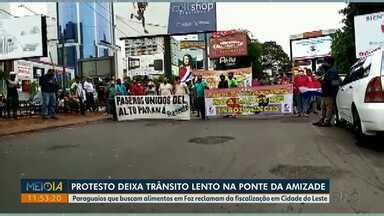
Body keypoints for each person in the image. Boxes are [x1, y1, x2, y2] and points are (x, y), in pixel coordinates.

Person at [313, 58, 340, 127]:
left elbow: (332, 83)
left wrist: (321, 81)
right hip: (325, 93)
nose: (323, 64)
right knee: (323, 107)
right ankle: (322, 119)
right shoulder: (328, 71)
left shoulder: (333, 71)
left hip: (329, 93)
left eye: (325, 62)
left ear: (329, 63)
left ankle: (327, 121)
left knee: (328, 108)